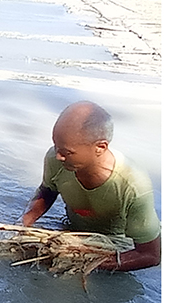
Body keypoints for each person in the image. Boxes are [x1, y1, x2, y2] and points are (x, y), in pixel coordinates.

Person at [21, 101, 160, 272]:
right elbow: (48, 190)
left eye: (66, 152)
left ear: (100, 147)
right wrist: (24, 223)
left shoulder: (133, 185)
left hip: (116, 246)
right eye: (56, 146)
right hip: (73, 232)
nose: (58, 156)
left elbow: (151, 255)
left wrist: (84, 262)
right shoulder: (56, 159)